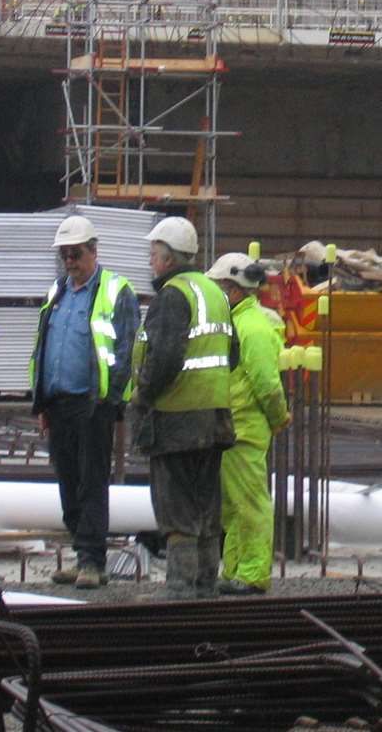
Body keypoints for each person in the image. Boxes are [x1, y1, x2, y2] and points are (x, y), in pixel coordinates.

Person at [29, 215, 140, 589]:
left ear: (93, 251)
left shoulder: (114, 291)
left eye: (75, 254)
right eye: (64, 256)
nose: (70, 262)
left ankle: (93, 560)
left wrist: (111, 401)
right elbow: (44, 348)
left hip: (93, 403)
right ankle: (81, 553)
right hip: (59, 403)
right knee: (68, 481)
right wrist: (41, 402)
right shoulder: (57, 292)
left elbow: (126, 350)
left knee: (92, 482)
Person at [127, 216, 234, 600]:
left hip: (176, 419)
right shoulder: (215, 293)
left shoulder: (172, 295)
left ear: (169, 259)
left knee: (176, 506)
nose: (151, 263)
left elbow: (165, 357)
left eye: (154, 255)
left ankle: (179, 586)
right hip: (215, 418)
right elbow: (231, 354)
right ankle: (205, 583)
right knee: (206, 503)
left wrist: (143, 395)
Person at [205, 252, 290, 596]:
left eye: (219, 287)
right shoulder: (239, 322)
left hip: (245, 429)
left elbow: (267, 385)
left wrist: (278, 417)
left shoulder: (251, 327)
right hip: (233, 428)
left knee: (250, 502)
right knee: (234, 505)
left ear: (235, 288)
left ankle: (253, 573)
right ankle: (237, 569)